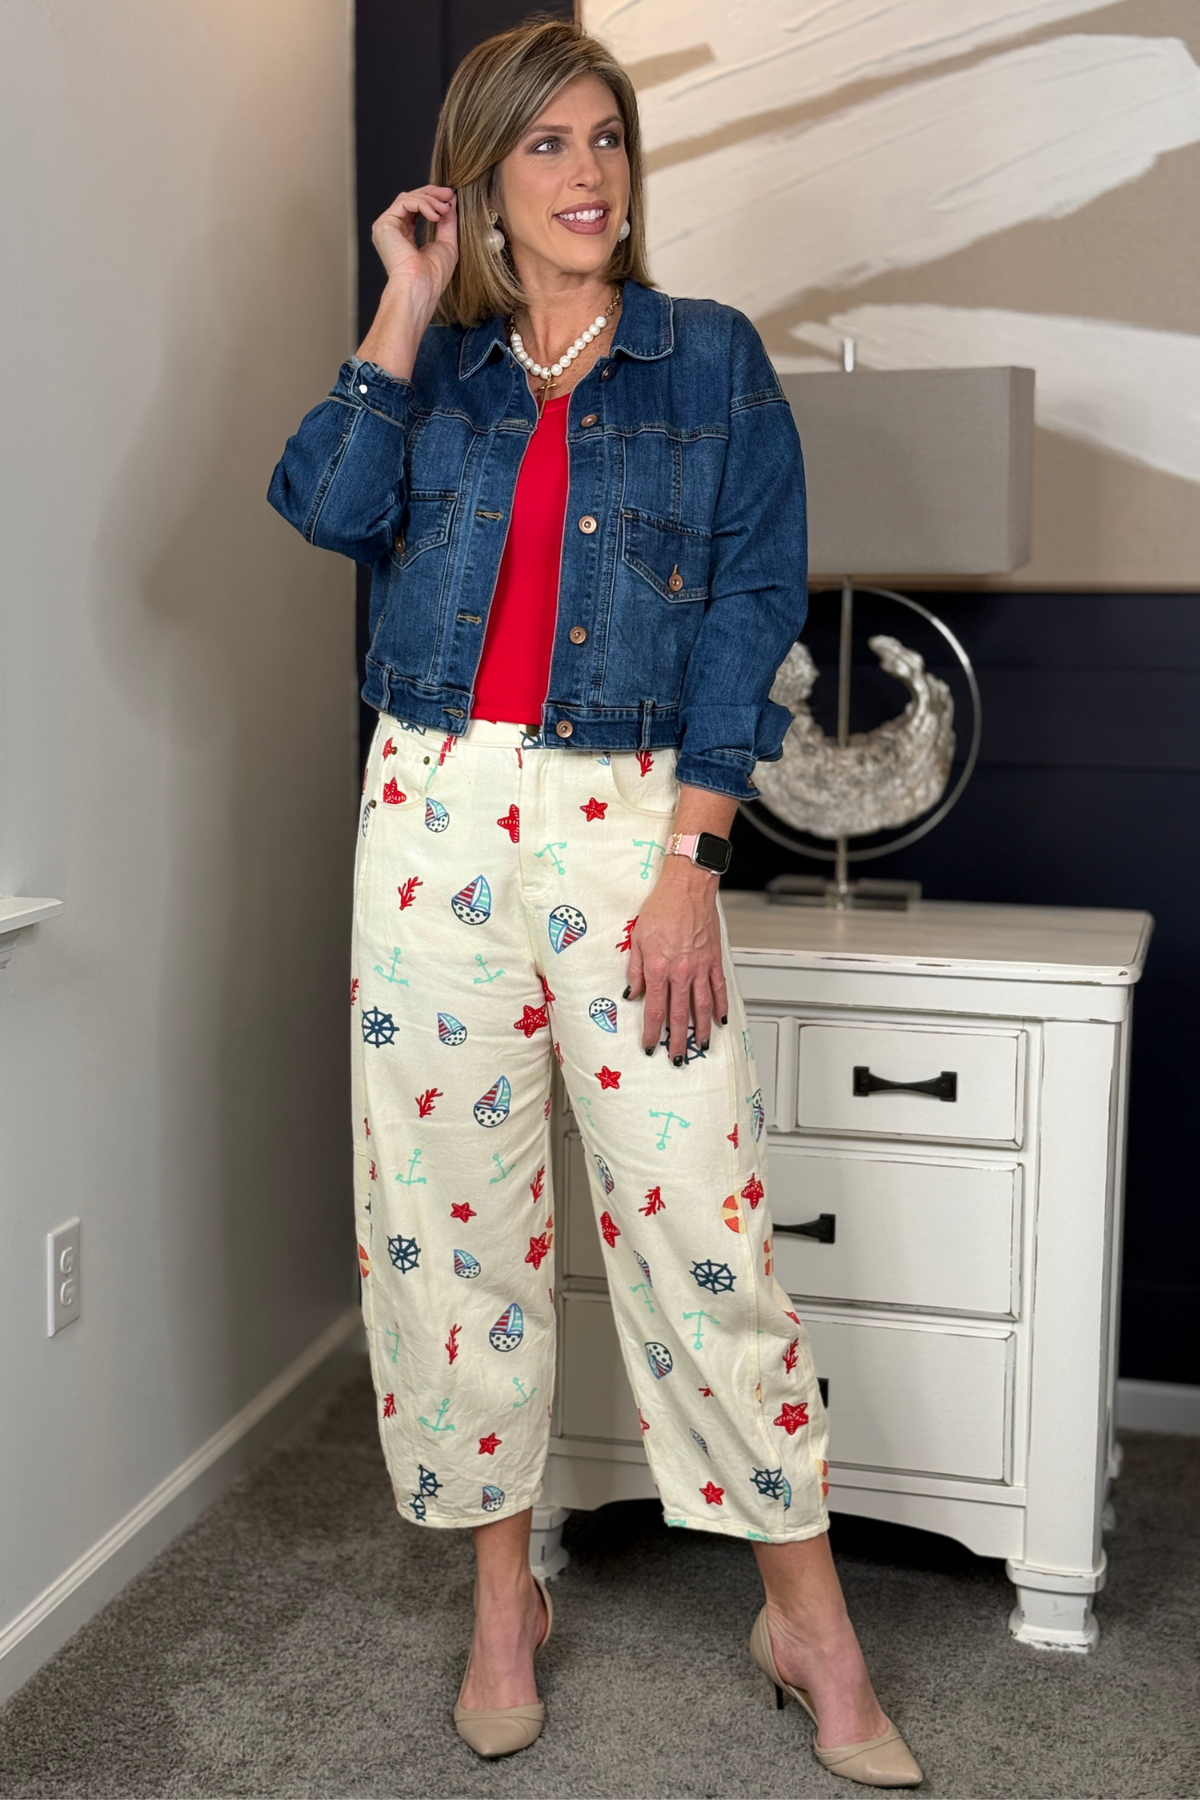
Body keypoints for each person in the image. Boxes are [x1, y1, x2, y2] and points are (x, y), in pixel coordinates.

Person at [268, 17, 920, 1786]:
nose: (587, 177)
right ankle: (506, 1597)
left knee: (700, 1218)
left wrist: (695, 853)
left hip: (634, 819)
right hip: (430, 815)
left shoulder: (707, 364)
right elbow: (320, 503)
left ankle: (808, 1616)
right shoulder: (450, 372)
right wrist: (402, 303)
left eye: (607, 141)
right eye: (545, 147)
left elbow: (755, 601)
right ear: (480, 180)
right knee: (450, 1222)